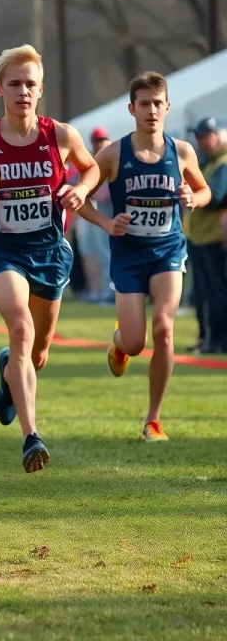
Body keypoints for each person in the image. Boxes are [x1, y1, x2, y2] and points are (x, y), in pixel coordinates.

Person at [0, 44, 99, 472]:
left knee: (37, 353)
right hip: (2, 249)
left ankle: (9, 372)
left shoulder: (60, 135)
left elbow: (92, 167)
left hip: (48, 250)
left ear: (40, 89)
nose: (23, 91)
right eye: (14, 84)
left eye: (30, 84)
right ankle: (31, 436)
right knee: (21, 326)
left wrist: (81, 190)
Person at [77, 71, 211, 441]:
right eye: (144, 104)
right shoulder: (113, 153)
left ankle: (153, 420)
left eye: (157, 103)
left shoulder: (181, 152)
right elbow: (81, 195)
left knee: (165, 329)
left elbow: (204, 192)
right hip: (129, 255)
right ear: (132, 108)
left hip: (168, 249)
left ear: (167, 106)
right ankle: (121, 343)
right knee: (137, 342)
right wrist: (107, 223)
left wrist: (192, 199)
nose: (151, 110)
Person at [185, 118, 227, 353]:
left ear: (216, 136)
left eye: (204, 136)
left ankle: (217, 339)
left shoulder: (222, 163)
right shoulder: (210, 163)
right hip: (201, 237)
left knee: (215, 292)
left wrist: (192, 193)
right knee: (203, 292)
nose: (199, 141)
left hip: (213, 237)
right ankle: (206, 337)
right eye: (198, 136)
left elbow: (218, 196)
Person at [77, 127, 114, 304]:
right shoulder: (91, 161)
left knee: (107, 254)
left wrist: (86, 191)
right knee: (94, 255)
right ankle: (99, 291)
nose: (99, 144)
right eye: (96, 141)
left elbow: (104, 194)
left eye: (102, 140)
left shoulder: (113, 158)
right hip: (96, 215)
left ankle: (108, 292)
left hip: (111, 214)